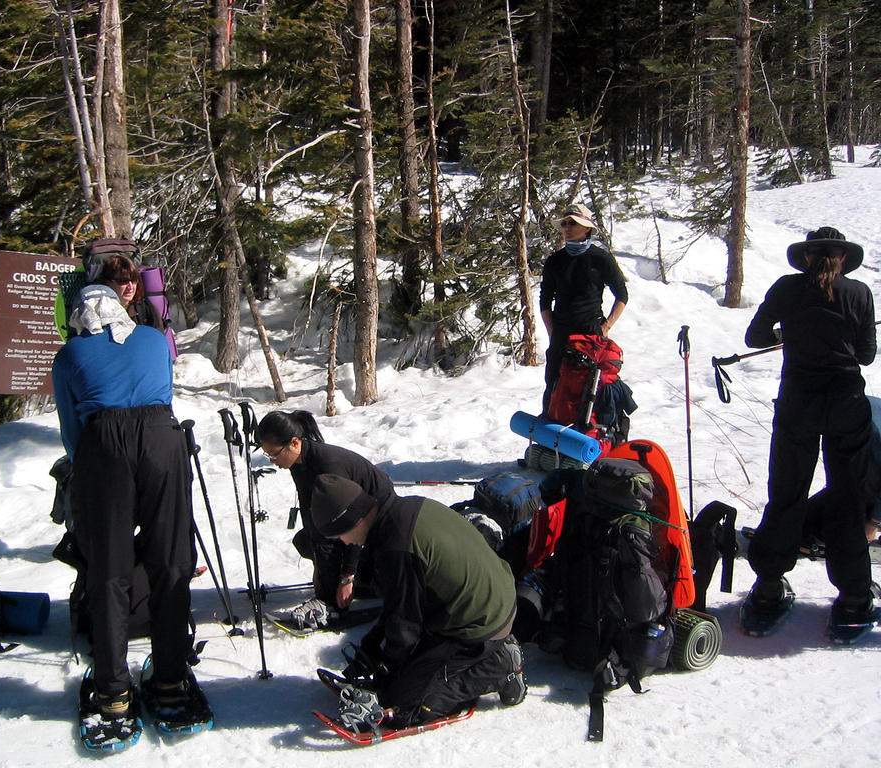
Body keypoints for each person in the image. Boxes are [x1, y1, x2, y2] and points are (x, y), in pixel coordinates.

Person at [51, 283, 204, 746]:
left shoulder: (70, 354)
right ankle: (171, 680)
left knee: (110, 569)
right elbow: (165, 395)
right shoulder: (155, 340)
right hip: (162, 436)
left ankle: (113, 691)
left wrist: (93, 466)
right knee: (170, 560)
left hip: (104, 444)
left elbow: (71, 427)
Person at [743, 226, 878, 639]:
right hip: (845, 402)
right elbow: (868, 354)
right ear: (841, 260)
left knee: (788, 491)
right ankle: (854, 595)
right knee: (848, 495)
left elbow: (756, 337)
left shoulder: (786, 288)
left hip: (798, 402)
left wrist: (790, 334)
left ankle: (768, 586)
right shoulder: (857, 293)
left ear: (806, 258)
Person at [310, 474, 526, 731]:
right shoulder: (404, 508)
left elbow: (404, 628)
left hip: (479, 625)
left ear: (352, 518)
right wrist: (372, 648)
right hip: (486, 600)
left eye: (340, 535)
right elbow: (401, 603)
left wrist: (388, 672)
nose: (344, 543)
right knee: (399, 681)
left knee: (404, 708)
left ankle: (499, 666)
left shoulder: (395, 547)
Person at [257, 410, 395, 616]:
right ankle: (341, 583)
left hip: (378, 522)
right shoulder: (298, 462)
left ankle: (341, 595)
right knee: (306, 541)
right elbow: (309, 512)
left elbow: (354, 524)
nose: (272, 461)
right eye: (268, 455)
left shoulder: (328, 466)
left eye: (274, 454)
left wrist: (347, 576)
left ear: (294, 443)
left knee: (332, 546)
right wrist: (318, 566)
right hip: (352, 520)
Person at [539, 202, 628, 411]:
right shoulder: (555, 260)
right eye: (564, 224)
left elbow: (622, 295)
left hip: (591, 333)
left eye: (572, 223)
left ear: (587, 227)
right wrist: (552, 330)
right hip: (561, 333)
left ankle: (587, 437)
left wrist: (605, 328)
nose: (567, 228)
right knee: (553, 385)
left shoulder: (600, 258)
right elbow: (545, 300)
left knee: (589, 389)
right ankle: (550, 439)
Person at [93, 252, 165, 331]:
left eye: (134, 280)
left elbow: (158, 338)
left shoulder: (146, 309)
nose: (130, 286)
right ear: (107, 283)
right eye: (123, 281)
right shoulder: (96, 309)